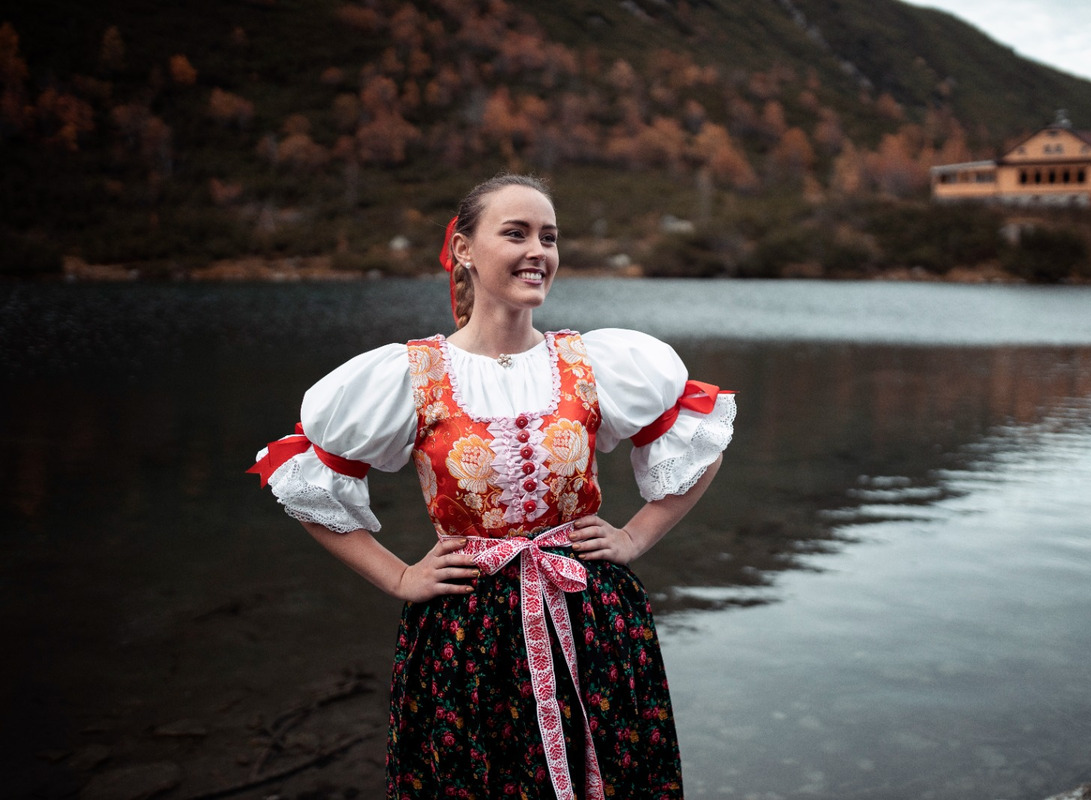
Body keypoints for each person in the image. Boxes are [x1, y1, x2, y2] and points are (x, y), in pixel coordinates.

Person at [249, 174, 736, 799]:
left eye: (549, 237)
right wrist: (398, 577)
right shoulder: (411, 375)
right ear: (465, 250)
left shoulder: (594, 363)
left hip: (590, 615)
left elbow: (698, 433)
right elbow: (308, 482)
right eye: (516, 233)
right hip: (467, 632)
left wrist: (637, 537)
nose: (538, 251)